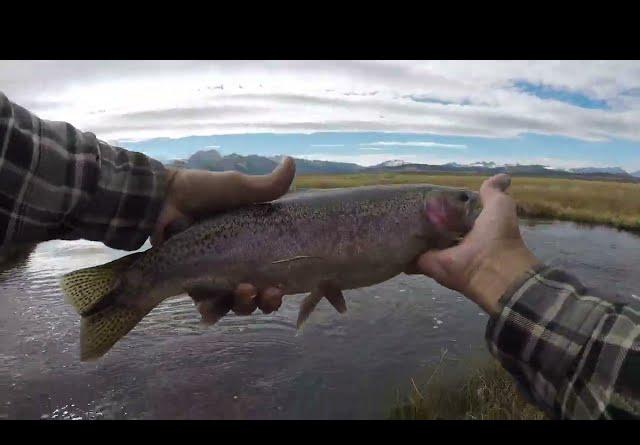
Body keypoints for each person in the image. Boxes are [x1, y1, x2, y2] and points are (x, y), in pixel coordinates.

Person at [1, 91, 638, 419]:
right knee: (183, 283)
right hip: (231, 245)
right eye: (460, 201)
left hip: (241, 250)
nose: (466, 208)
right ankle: (135, 287)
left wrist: (158, 195)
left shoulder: (426, 227)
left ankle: (138, 286)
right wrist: (163, 197)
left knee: (225, 288)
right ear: (432, 205)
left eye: (466, 204)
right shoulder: (420, 209)